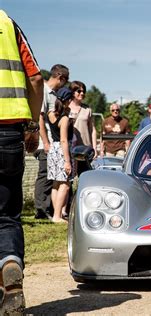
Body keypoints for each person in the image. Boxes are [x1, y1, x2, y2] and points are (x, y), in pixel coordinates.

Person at [0, 9, 43, 314]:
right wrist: (32, 125)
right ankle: (10, 263)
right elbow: (36, 78)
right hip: (9, 133)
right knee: (7, 215)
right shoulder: (7, 22)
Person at [34, 64, 69, 219]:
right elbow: (40, 118)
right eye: (65, 80)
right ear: (60, 76)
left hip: (52, 142)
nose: (65, 84)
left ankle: (49, 209)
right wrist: (46, 142)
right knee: (44, 177)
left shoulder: (53, 94)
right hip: (46, 143)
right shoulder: (44, 91)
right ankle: (40, 210)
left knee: (51, 179)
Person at [46, 87, 75, 223]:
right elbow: (64, 139)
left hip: (53, 148)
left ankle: (55, 214)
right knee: (65, 184)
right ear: (68, 100)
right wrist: (67, 161)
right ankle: (57, 216)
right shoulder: (64, 119)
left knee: (56, 184)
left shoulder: (51, 114)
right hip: (61, 149)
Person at [68, 81, 97, 176]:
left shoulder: (87, 109)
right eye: (79, 91)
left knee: (85, 176)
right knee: (68, 180)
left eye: (84, 91)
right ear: (72, 92)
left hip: (85, 149)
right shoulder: (65, 107)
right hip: (70, 149)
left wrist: (95, 148)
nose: (82, 93)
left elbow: (92, 130)